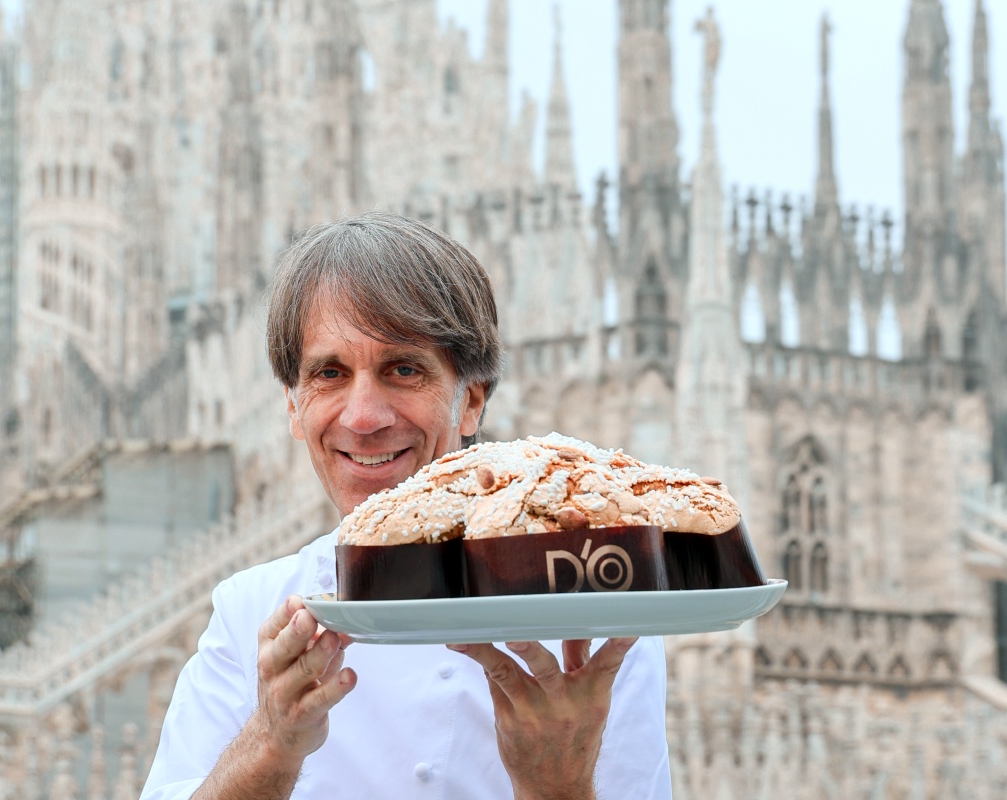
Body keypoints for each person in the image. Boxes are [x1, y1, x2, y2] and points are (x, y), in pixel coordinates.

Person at [141, 212, 672, 799]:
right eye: (330, 373)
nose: (364, 417)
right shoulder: (248, 611)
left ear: (470, 402)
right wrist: (269, 742)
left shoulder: (596, 621)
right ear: (293, 407)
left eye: (403, 370)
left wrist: (558, 785)